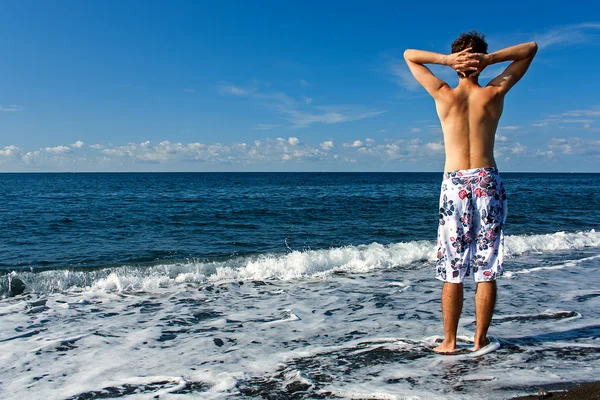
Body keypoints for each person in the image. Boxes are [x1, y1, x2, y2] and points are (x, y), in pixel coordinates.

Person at [404, 31, 537, 353]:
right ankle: (479, 339)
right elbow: (530, 50)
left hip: (455, 184)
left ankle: (449, 341)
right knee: (485, 265)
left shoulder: (442, 93)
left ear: (458, 64)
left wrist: (447, 61)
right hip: (486, 180)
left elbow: (410, 55)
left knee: (453, 266)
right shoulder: (493, 92)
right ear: (479, 61)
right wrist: (489, 60)